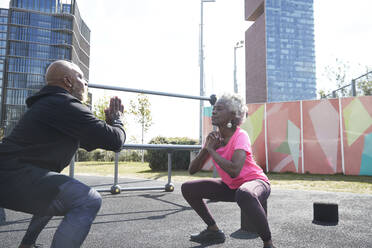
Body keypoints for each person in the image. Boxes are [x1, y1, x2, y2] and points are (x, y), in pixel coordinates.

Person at [0, 60, 126, 248]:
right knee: (87, 199)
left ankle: (27, 245)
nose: (86, 83)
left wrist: (109, 127)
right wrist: (118, 121)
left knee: (55, 189)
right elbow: (115, 141)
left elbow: (99, 139)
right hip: (11, 174)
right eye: (81, 78)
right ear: (68, 81)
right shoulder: (63, 103)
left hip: (11, 174)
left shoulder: (51, 104)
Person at [181, 93, 276, 248]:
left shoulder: (241, 136)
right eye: (214, 108)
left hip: (256, 183)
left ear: (233, 114)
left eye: (219, 109)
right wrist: (207, 148)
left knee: (244, 193)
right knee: (188, 188)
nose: (214, 111)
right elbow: (192, 170)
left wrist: (212, 151)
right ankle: (213, 230)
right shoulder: (214, 139)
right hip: (232, 187)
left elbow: (234, 170)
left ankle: (268, 243)